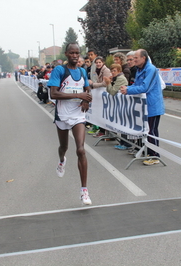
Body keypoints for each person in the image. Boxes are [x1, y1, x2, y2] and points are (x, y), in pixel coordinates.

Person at [48, 43, 93, 205]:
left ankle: (84, 191)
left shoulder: (82, 71)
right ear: (66, 54)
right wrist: (78, 94)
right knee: (64, 147)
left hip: (77, 115)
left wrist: (86, 99)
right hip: (62, 115)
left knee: (81, 150)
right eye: (72, 53)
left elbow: (87, 90)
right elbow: (53, 93)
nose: (75, 56)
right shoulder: (60, 70)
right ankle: (61, 161)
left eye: (77, 53)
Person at [120, 49, 165, 166]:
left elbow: (145, 87)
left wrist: (128, 90)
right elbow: (137, 84)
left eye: (136, 58)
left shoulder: (151, 69)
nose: (134, 60)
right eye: (133, 58)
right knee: (146, 129)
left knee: (152, 130)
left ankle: (155, 155)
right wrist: (128, 88)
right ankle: (147, 151)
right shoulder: (140, 69)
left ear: (143, 58)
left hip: (152, 105)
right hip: (144, 105)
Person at [104, 64, 132, 150]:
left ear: (119, 71)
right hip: (120, 105)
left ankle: (126, 143)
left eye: (114, 71)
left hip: (124, 104)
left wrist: (108, 83)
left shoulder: (120, 78)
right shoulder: (116, 78)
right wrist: (110, 83)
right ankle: (123, 142)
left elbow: (112, 92)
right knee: (121, 122)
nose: (112, 72)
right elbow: (108, 91)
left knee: (124, 123)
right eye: (111, 71)